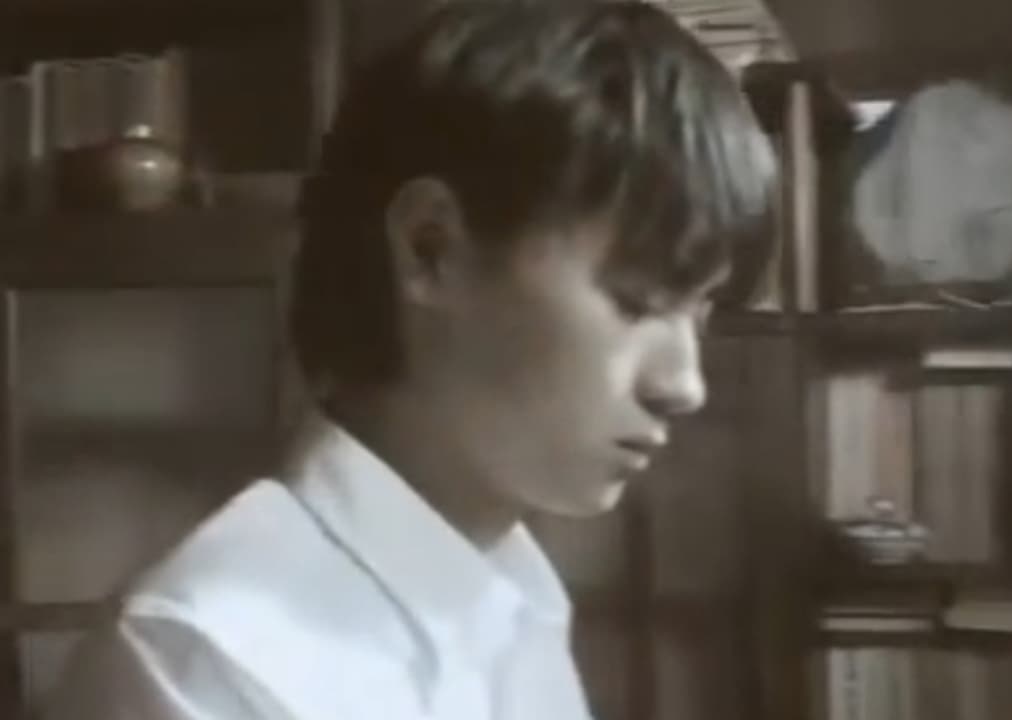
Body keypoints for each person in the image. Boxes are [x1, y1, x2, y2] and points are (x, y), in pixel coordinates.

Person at [44, 1, 777, 718]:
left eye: (699, 310)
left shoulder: (516, 595)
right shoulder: (218, 657)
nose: (685, 384)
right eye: (636, 299)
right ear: (432, 249)